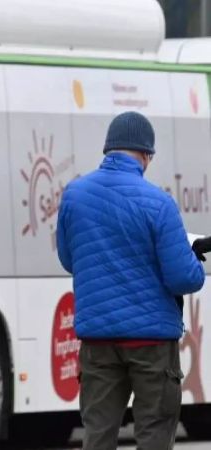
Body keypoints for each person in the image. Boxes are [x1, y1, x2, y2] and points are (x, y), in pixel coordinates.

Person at [56, 111, 206, 450]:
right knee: (154, 429)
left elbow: (70, 260)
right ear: (146, 154)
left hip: (97, 341)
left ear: (109, 149)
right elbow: (182, 278)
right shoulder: (158, 203)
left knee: (97, 431)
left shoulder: (74, 196)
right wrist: (195, 262)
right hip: (151, 343)